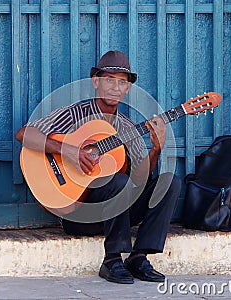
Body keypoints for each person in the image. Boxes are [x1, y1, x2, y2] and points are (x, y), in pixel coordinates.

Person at [15, 50, 181, 284]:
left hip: (118, 212)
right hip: (79, 214)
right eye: (109, 80)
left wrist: (156, 149)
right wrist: (68, 150)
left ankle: (139, 256)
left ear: (128, 89)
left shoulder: (128, 128)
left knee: (169, 182)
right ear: (96, 82)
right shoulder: (75, 114)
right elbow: (24, 134)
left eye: (121, 82)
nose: (115, 87)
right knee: (118, 181)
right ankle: (112, 260)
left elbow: (141, 178)